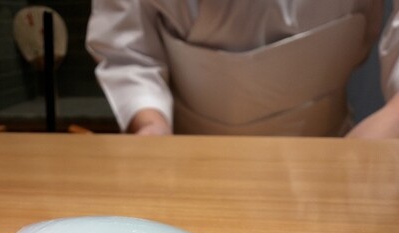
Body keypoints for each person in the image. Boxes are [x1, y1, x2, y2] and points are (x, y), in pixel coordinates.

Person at [86, 0, 399, 138]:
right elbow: (128, 50)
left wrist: (393, 116)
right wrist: (151, 124)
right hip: (187, 159)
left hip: (332, 154)